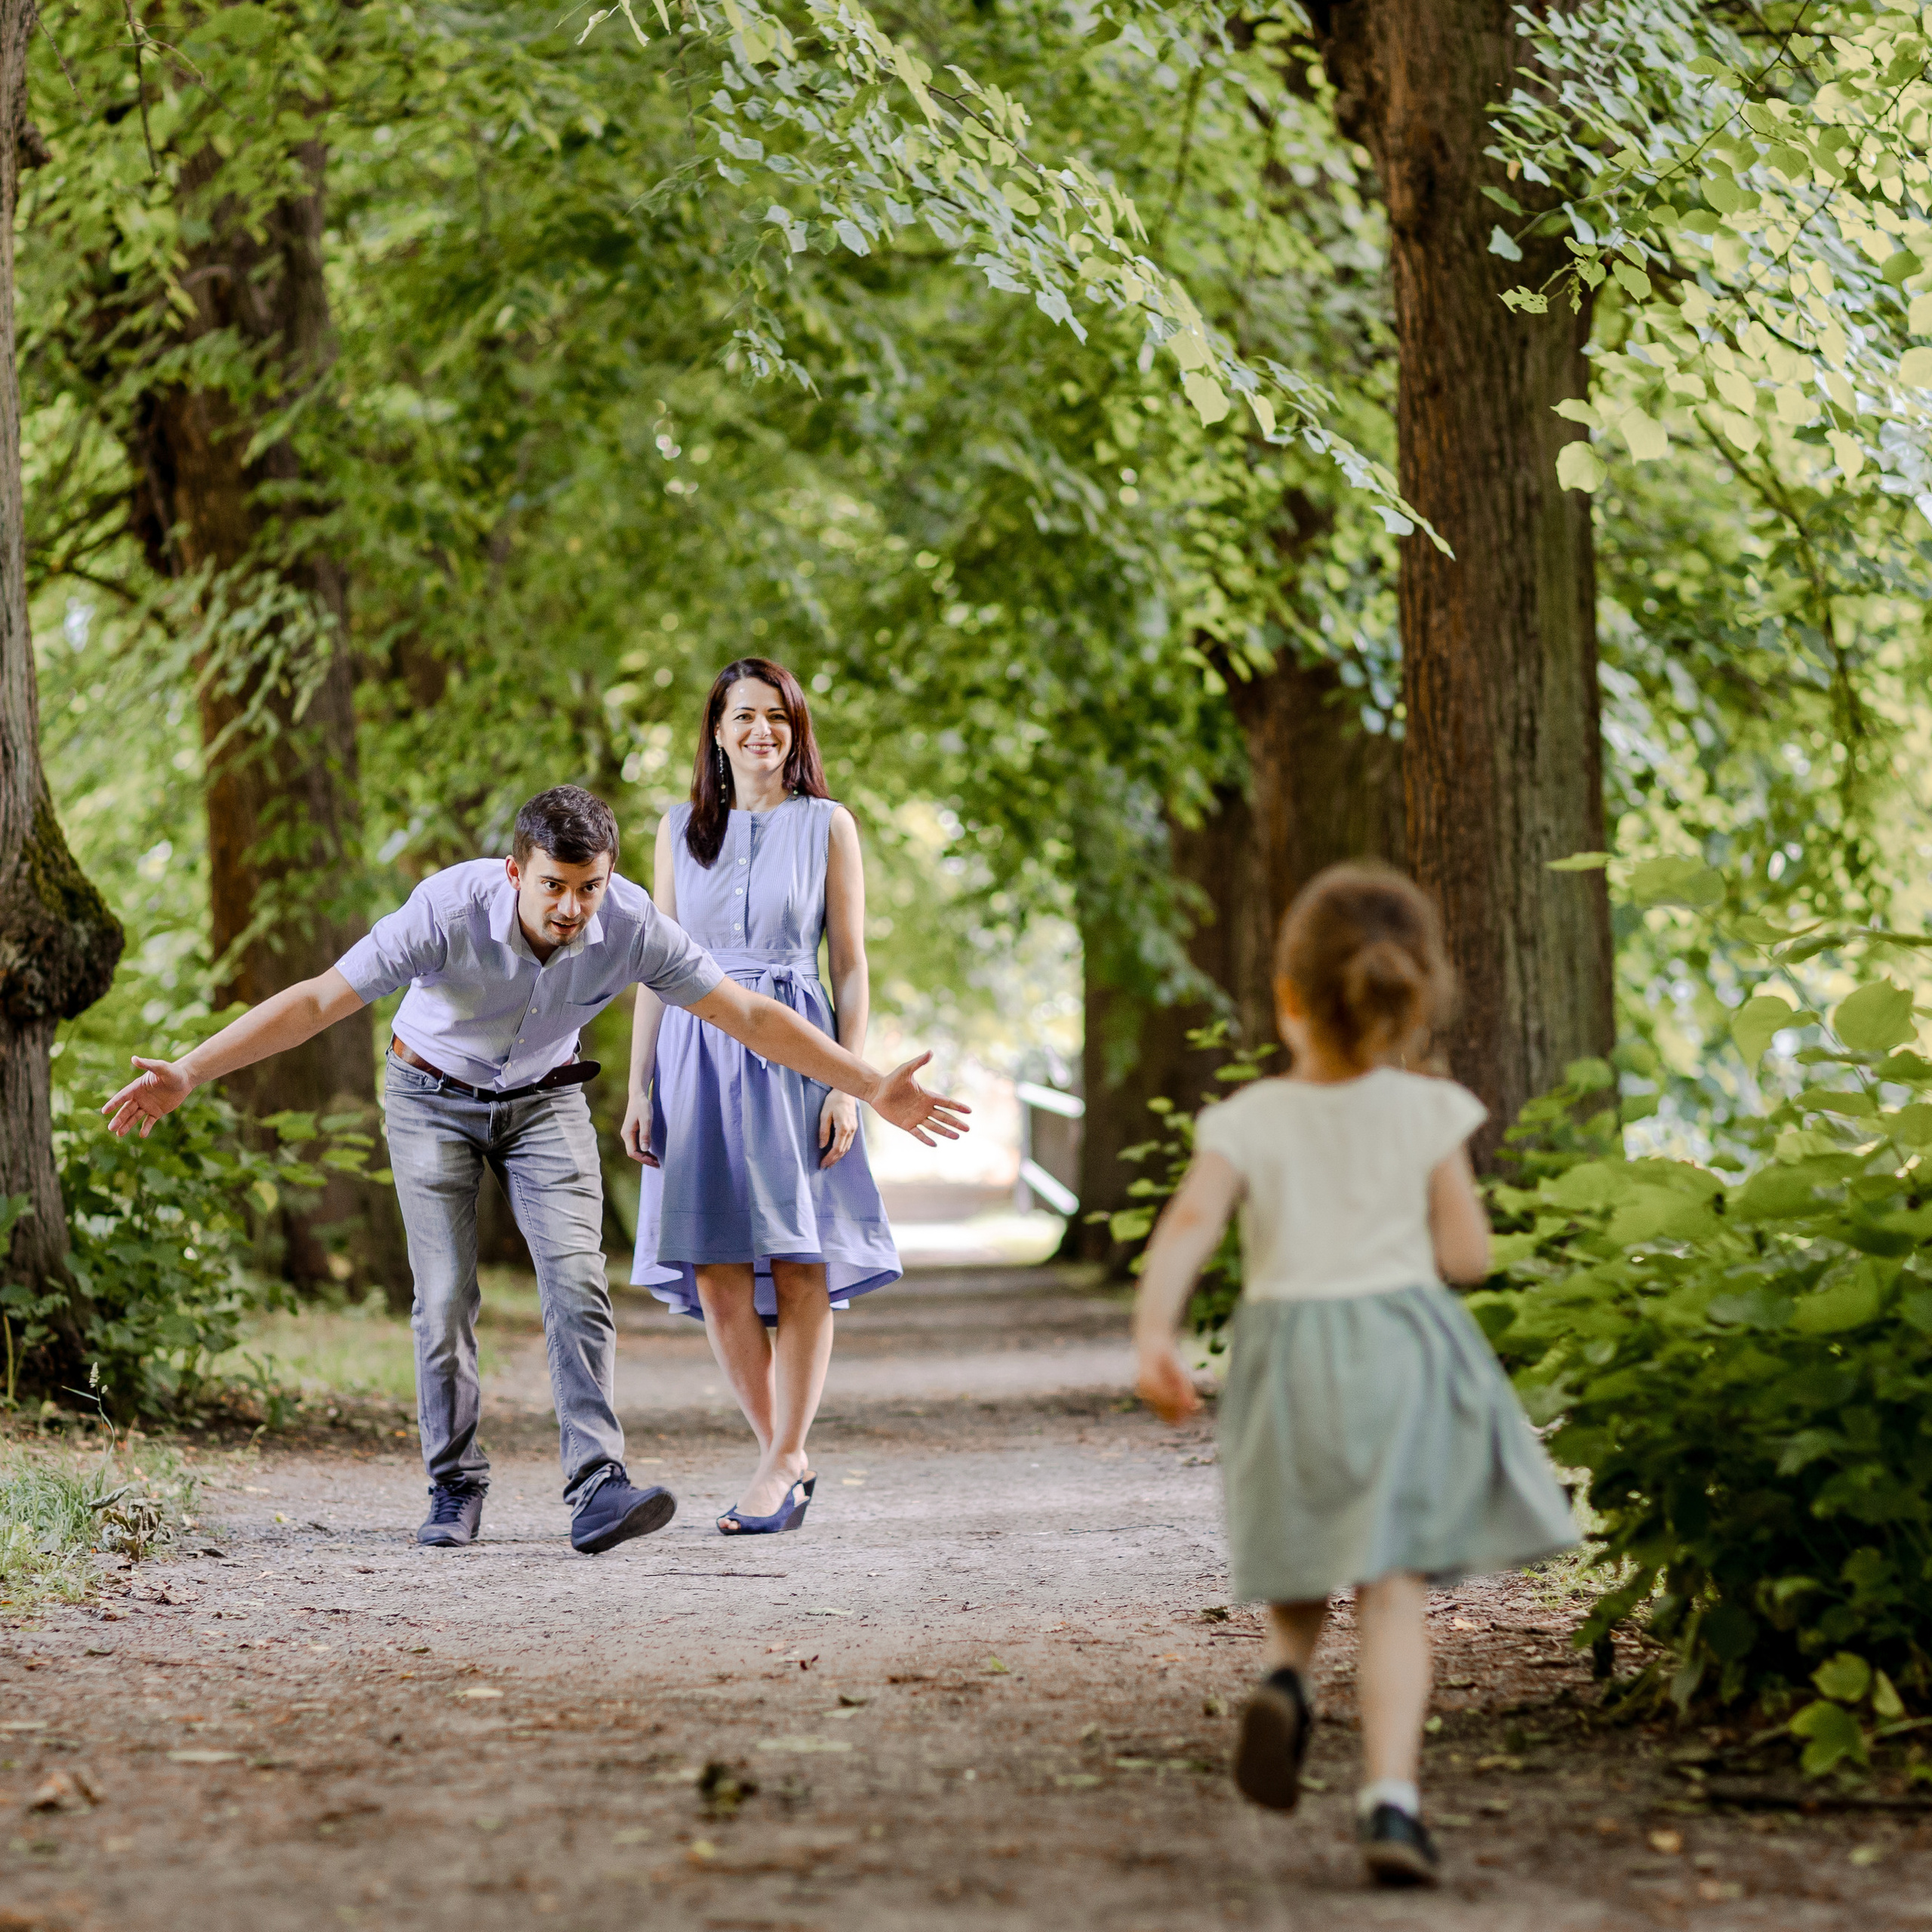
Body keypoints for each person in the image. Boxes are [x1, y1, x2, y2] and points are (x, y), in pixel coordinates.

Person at [101, 785, 968, 1555]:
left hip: (546, 1098)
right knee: (444, 1298)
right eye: (553, 885)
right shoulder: (443, 911)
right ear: (515, 871)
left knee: (576, 1282)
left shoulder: (628, 923)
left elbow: (747, 1015)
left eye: (588, 887)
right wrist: (191, 1069)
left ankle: (597, 1486)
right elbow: (321, 1000)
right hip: (430, 1095)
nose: (572, 908)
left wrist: (866, 1085)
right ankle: (456, 1481)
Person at [1131, 863, 1574, 1890]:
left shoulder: (1252, 1119)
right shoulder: (1429, 1113)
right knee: (1391, 1586)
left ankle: (1288, 1674)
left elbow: (1190, 1226)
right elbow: (1468, 1256)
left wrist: (1155, 1333)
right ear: (1410, 1000)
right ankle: (1391, 1801)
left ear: (1289, 1000)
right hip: (1398, 1359)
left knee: (1299, 1556)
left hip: (1287, 1356)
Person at [623, 659, 899, 1535]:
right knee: (715, 1268)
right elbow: (653, 971)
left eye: (777, 717)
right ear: (716, 729)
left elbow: (850, 968)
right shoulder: (675, 830)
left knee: (799, 1258)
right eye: (744, 716)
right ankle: (785, 1455)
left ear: (795, 729)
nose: (761, 733)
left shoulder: (828, 825)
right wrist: (639, 1082)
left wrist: (846, 1084)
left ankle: (780, 1464)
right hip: (696, 1054)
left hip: (796, 1054)